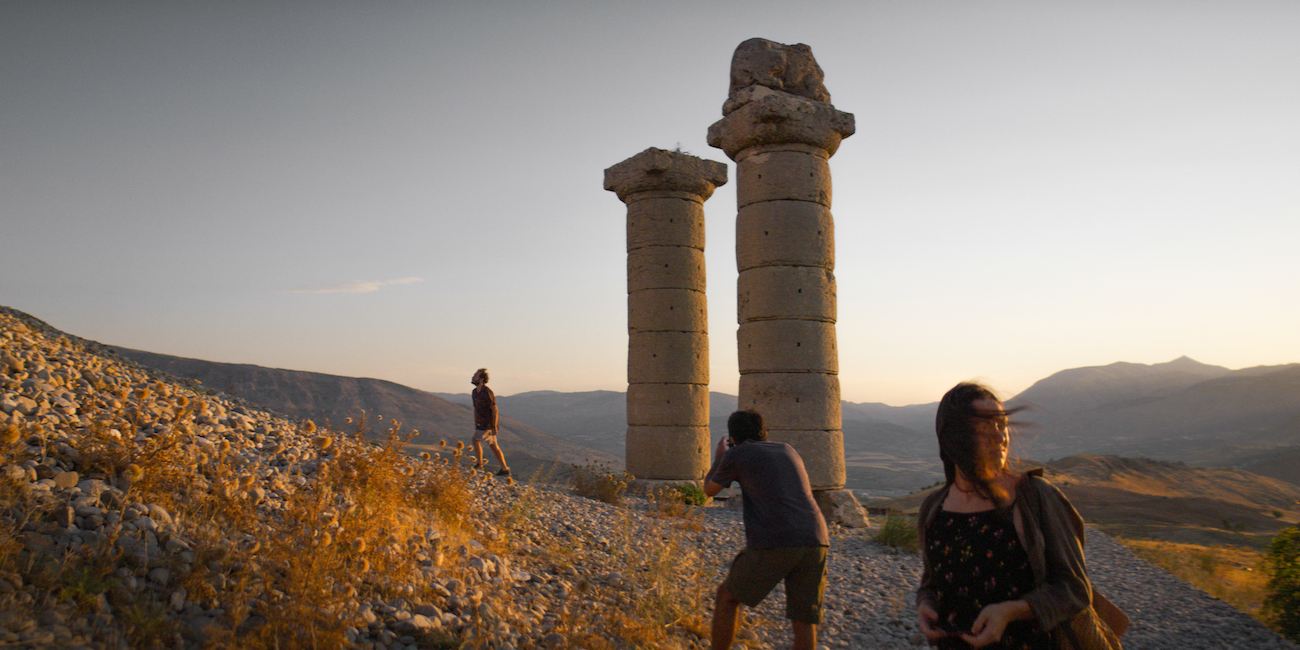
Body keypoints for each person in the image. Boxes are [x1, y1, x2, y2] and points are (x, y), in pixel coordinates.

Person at [915, 382, 1111, 649]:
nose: (999, 437)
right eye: (984, 427)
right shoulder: (934, 509)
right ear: (953, 438)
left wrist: (1010, 611)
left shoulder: (1035, 498)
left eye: (1001, 425)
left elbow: (1074, 590)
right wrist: (925, 604)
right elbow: (931, 581)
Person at [704, 410, 830, 650]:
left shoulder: (738, 453)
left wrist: (719, 459)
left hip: (777, 539)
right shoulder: (787, 449)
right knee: (803, 620)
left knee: (727, 598)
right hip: (817, 537)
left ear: (732, 438)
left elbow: (709, 491)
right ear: (764, 432)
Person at [470, 368, 510, 477]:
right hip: (481, 423)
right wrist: (475, 421)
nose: (473, 377)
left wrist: (494, 425)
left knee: (475, 440)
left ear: (481, 379)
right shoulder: (475, 393)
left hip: (487, 424)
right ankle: (504, 469)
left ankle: (479, 464)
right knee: (494, 446)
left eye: (476, 376)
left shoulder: (487, 392)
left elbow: (494, 409)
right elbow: (475, 408)